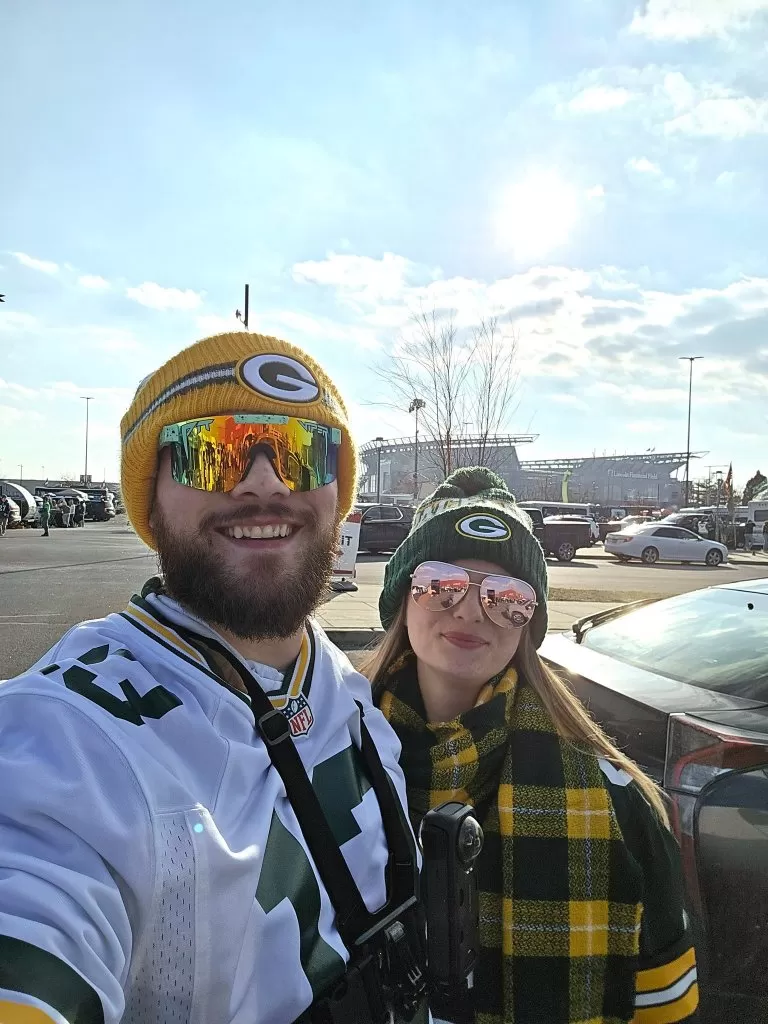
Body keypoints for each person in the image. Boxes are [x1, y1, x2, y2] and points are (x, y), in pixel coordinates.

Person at [0, 333, 428, 1024]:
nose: (265, 481)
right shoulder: (67, 736)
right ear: (151, 499)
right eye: (213, 451)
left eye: (299, 452)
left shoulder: (341, 686)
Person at [362, 468, 699, 1024]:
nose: (470, 610)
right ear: (402, 597)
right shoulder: (325, 764)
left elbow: (667, 1008)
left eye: (507, 596)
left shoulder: (621, 807)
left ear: (528, 622)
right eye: (442, 582)